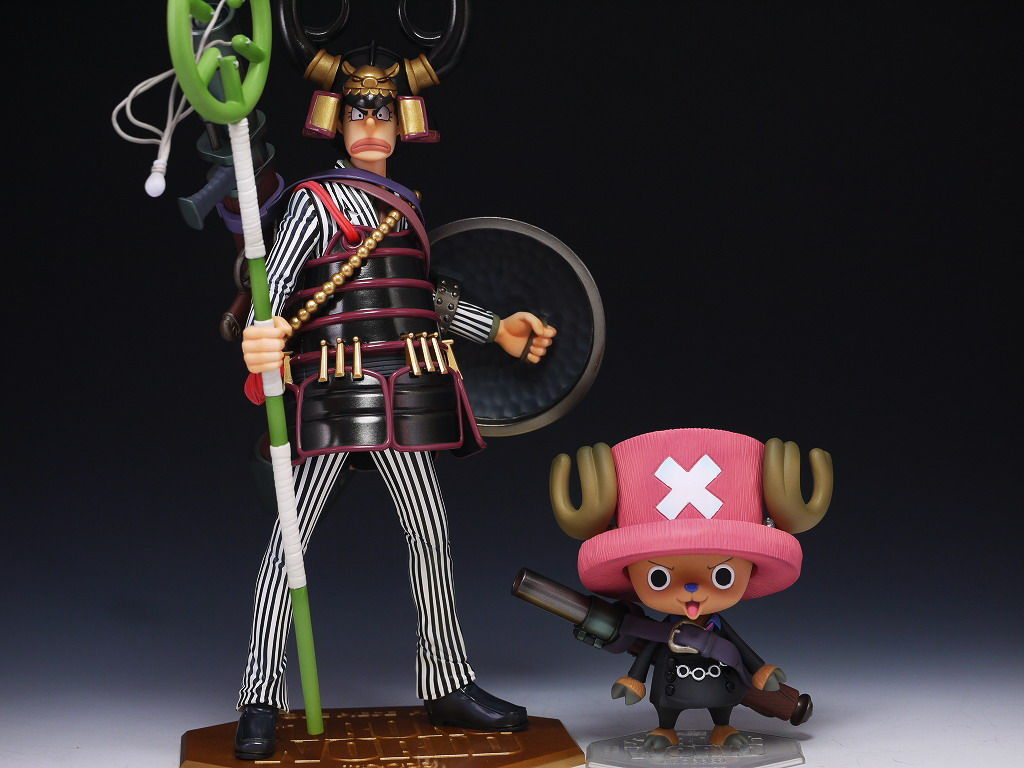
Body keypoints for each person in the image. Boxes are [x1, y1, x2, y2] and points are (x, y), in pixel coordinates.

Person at [234, 53, 556, 760]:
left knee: (430, 531)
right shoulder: (314, 202)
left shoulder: (404, 204)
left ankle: (446, 683)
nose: (371, 124)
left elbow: (416, 296)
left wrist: (494, 328)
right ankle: (258, 697)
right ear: (336, 121)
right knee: (290, 543)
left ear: (404, 121)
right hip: (333, 388)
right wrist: (263, 335)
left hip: (408, 387)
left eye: (382, 112)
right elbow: (274, 291)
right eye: (358, 112)